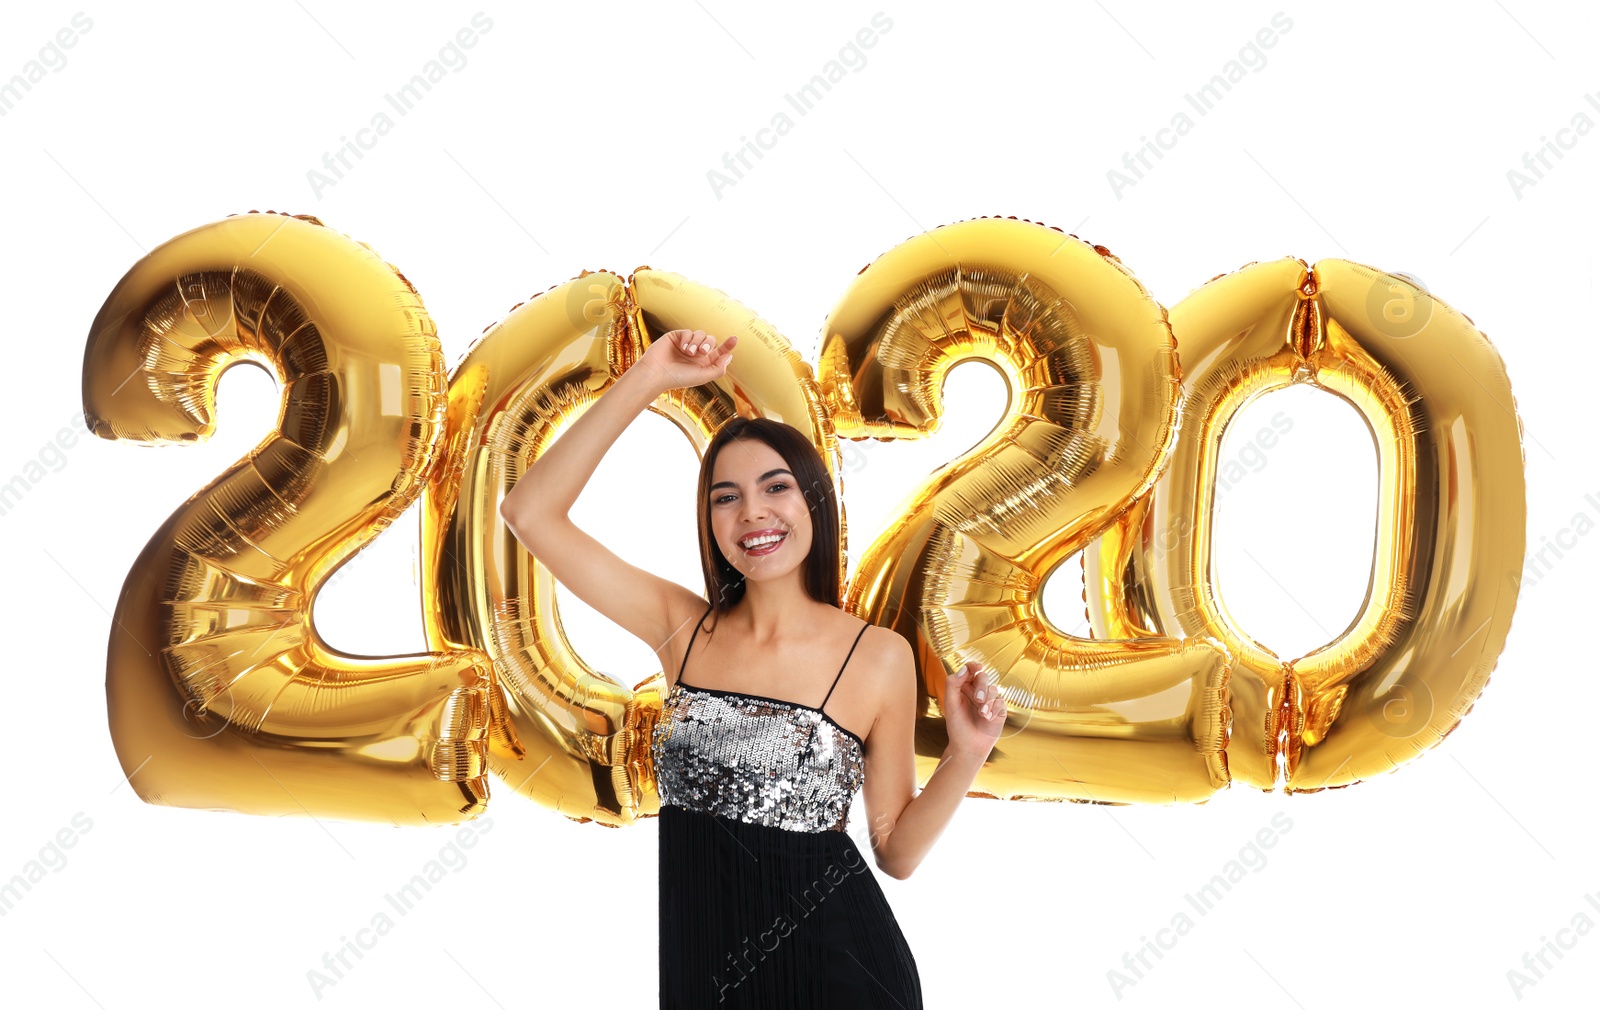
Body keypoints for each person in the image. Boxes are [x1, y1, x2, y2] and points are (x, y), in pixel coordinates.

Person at [499, 327, 1007, 1007]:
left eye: (776, 487)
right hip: (703, 969)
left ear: (812, 503)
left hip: (842, 973)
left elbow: (896, 852)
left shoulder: (876, 656)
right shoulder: (683, 629)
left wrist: (968, 751)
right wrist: (649, 377)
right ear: (708, 520)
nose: (753, 513)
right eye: (725, 496)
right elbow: (528, 512)